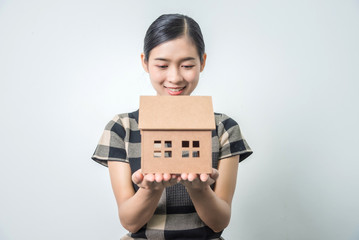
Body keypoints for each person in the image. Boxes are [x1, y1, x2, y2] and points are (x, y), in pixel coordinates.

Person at [92, 13, 253, 240]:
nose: (175, 77)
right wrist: (152, 189)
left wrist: (199, 189)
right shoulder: (121, 128)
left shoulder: (224, 128)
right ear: (145, 62)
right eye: (162, 65)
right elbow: (130, 221)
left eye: (187, 65)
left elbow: (219, 223)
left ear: (203, 62)